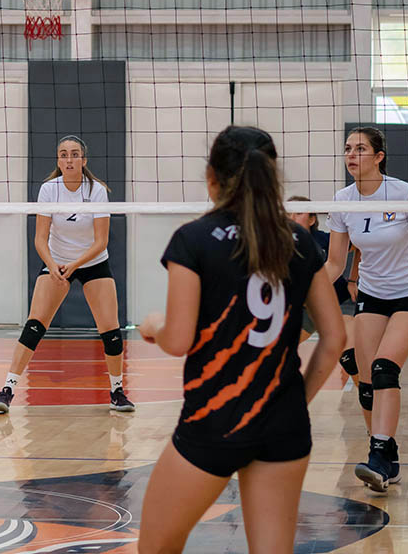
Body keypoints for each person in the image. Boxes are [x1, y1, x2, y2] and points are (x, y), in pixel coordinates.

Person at [136, 126, 343, 554]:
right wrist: (292, 402)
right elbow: (334, 337)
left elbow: (177, 340)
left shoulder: (192, 240)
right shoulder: (300, 240)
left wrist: (154, 324)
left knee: (157, 548)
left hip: (215, 421)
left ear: (211, 177)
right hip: (282, 423)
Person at [0, 135, 134, 414]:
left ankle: (117, 391)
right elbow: (40, 238)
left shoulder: (97, 191)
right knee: (35, 325)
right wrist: (53, 264)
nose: (69, 159)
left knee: (111, 331)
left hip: (92, 261)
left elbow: (101, 241)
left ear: (83, 160)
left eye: (75, 154)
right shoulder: (49, 190)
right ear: (58, 160)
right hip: (57, 262)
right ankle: (6, 390)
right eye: (64, 154)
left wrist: (76, 264)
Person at [322, 126, 408, 492]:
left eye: (360, 149)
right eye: (347, 149)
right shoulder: (343, 200)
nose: (351, 155)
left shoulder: (405, 193)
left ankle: (378, 455)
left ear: (378, 156)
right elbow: (334, 263)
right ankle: (386, 456)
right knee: (365, 384)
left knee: (383, 369)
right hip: (372, 295)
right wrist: (303, 289)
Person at [287, 196, 361, 393]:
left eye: (299, 212)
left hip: (337, 305)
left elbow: (360, 247)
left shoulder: (325, 239)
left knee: (351, 360)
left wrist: (353, 280)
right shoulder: (279, 244)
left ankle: (370, 404)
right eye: (288, 212)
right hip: (304, 312)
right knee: (275, 353)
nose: (292, 217)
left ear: (312, 219)